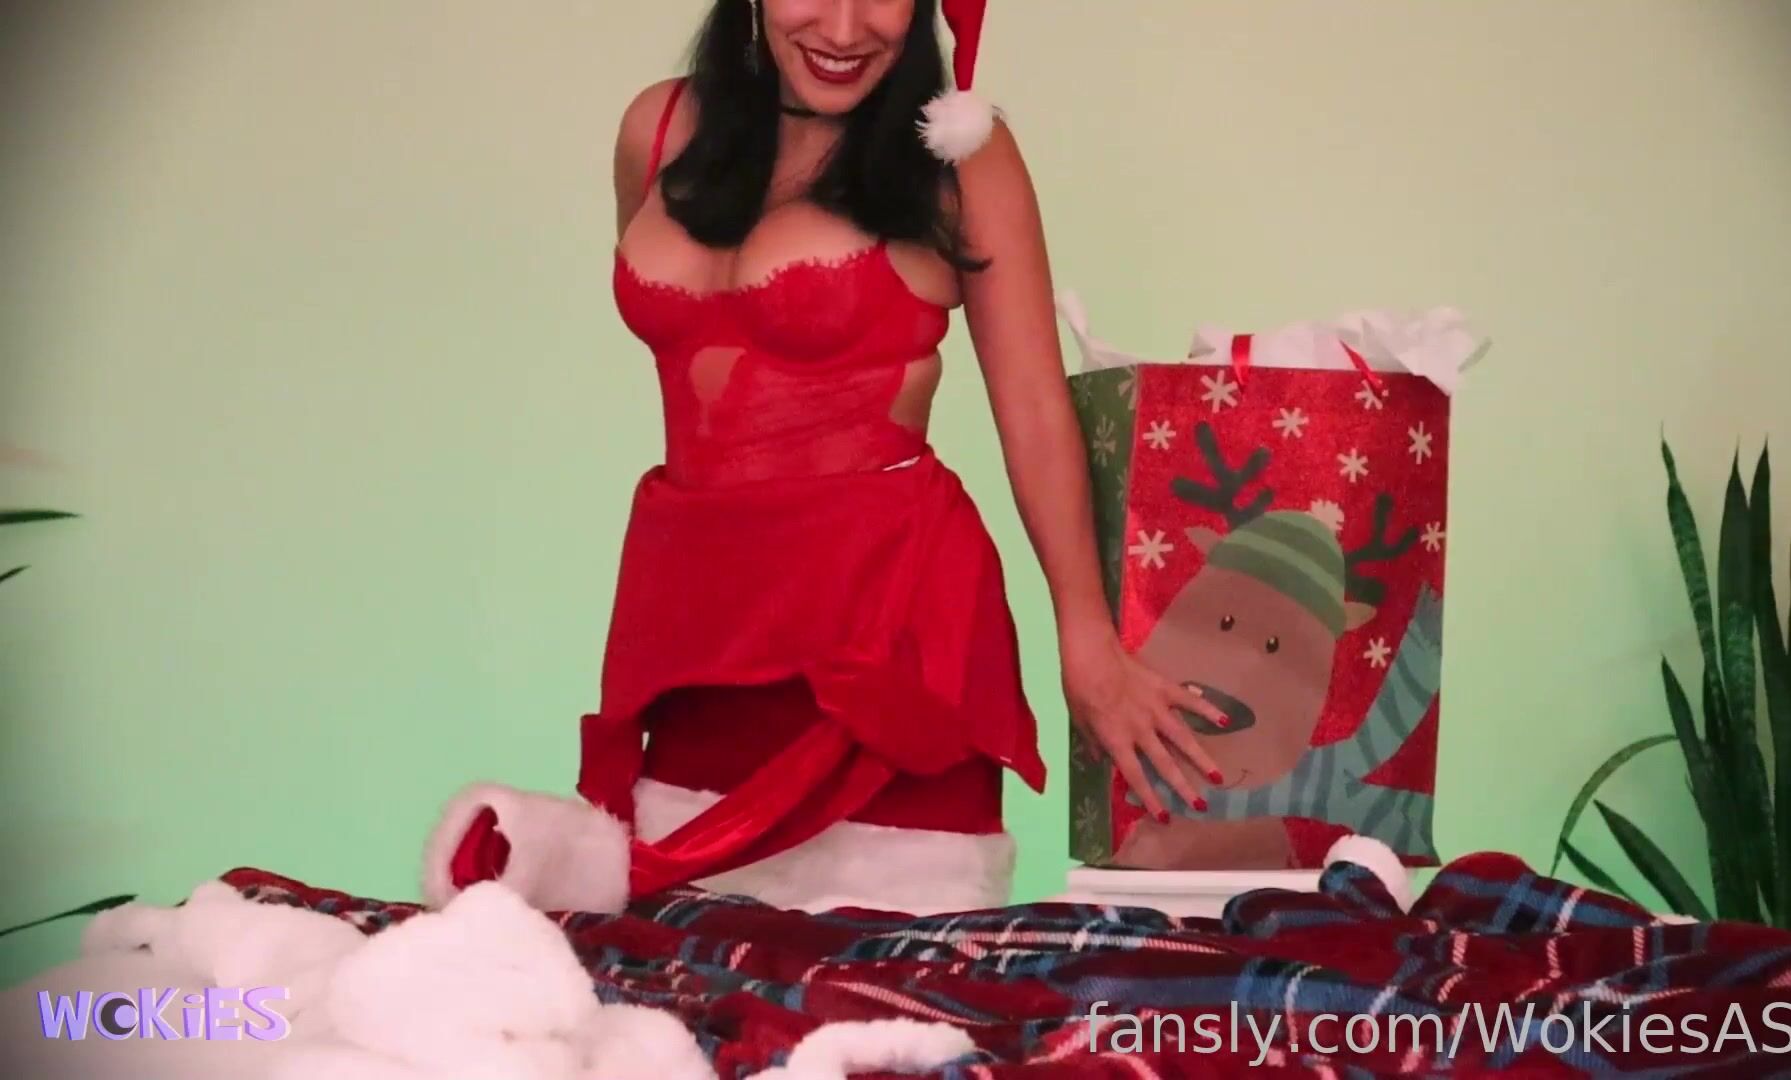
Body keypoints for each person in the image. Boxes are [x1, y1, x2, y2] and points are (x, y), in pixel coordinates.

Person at [419, 0, 1227, 916]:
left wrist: (1086, 638)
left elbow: (1034, 410)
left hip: (884, 641)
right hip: (694, 635)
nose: (845, 31)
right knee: (686, 969)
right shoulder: (657, 129)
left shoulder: (962, 158)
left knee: (883, 980)